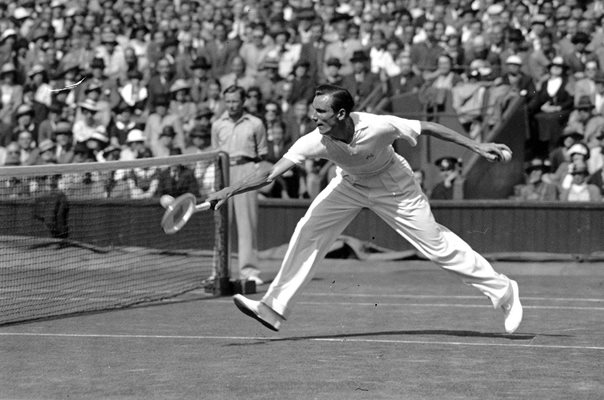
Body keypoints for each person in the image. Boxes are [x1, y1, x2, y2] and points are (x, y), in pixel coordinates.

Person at [207, 84, 523, 334]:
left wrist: (477, 146)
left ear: (342, 114)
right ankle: (273, 307)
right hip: (349, 184)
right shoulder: (314, 140)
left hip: (394, 186)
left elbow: (428, 127)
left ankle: (505, 291)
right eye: (314, 111)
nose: (314, 117)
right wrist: (231, 190)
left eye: (321, 112)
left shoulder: (378, 126)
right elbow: (270, 173)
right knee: (308, 229)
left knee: (437, 248)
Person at [211, 85, 268, 285]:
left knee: (247, 224)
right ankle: (219, 271)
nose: (232, 105)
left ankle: (249, 271)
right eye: (228, 101)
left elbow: (262, 153)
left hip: (247, 171)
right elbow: (214, 153)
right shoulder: (217, 125)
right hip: (223, 172)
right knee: (221, 224)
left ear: (243, 101)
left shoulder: (256, 124)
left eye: (235, 101)